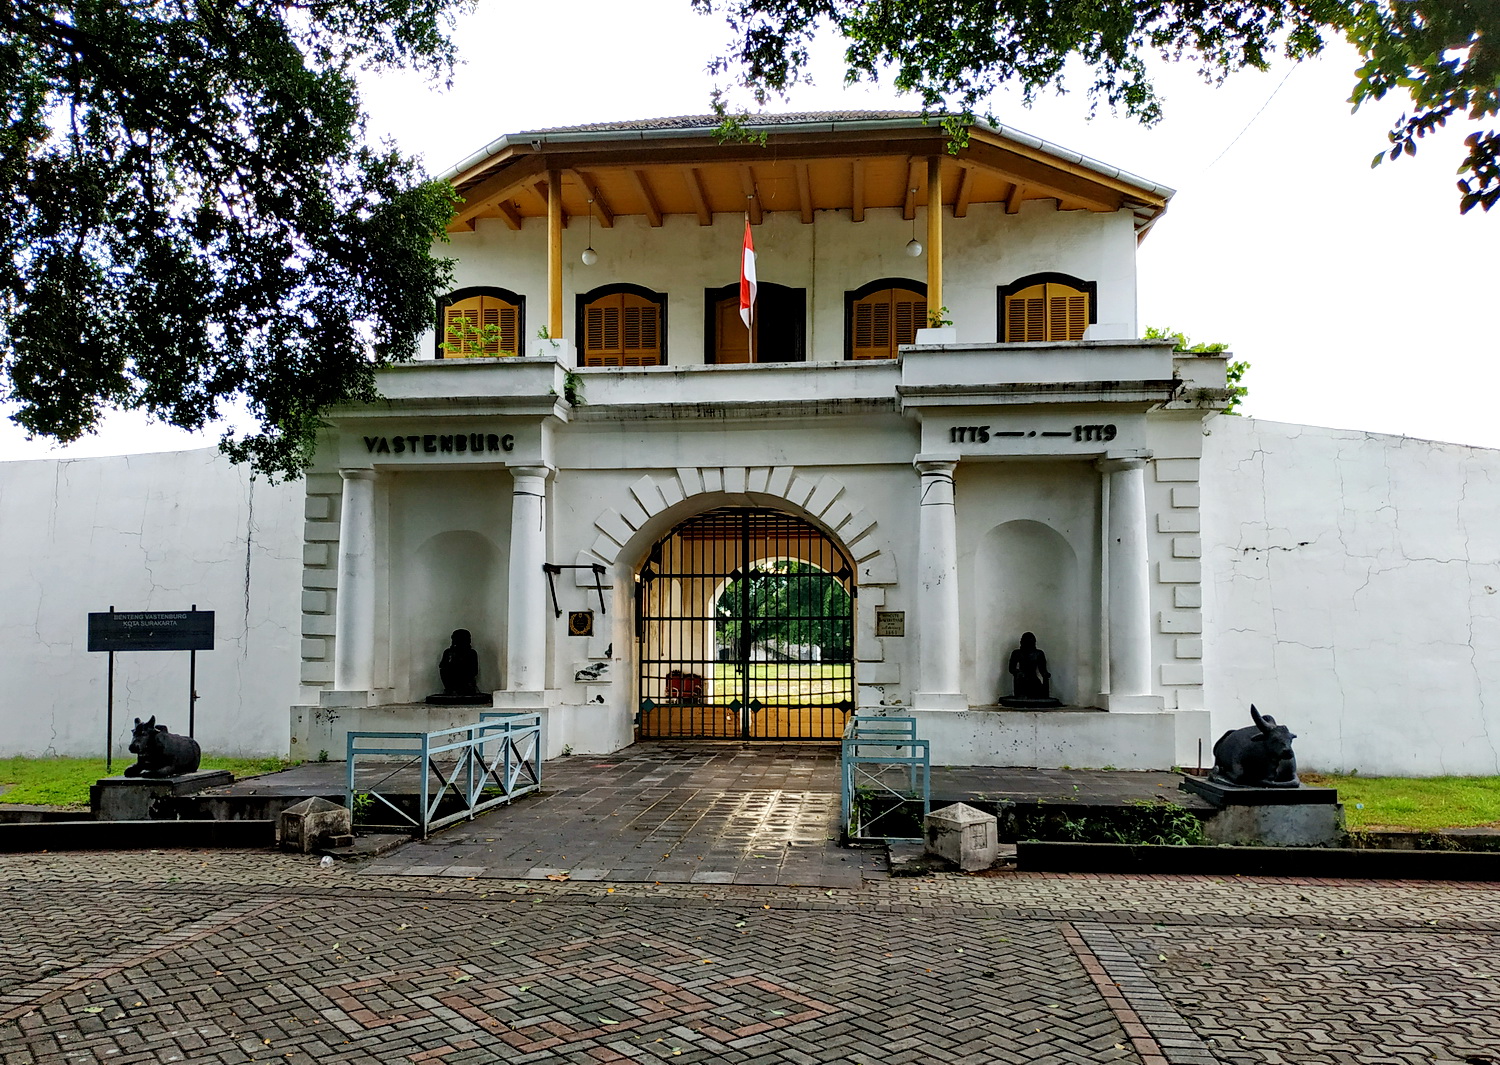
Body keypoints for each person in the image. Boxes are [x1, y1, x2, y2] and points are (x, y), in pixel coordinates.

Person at [1008, 631, 1050, 700]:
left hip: (1034, 679)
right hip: (1021, 679)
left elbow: (1043, 670)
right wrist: (1018, 672)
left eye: (1030, 642)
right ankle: (1021, 695)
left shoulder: (1039, 653)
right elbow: (1011, 668)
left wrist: (1046, 675)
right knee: (1021, 681)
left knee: (1037, 691)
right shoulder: (1017, 653)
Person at [439, 629, 480, 696]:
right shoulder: (448, 653)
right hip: (451, 685)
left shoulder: (471, 653)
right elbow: (443, 669)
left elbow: (474, 671)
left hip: (466, 685)